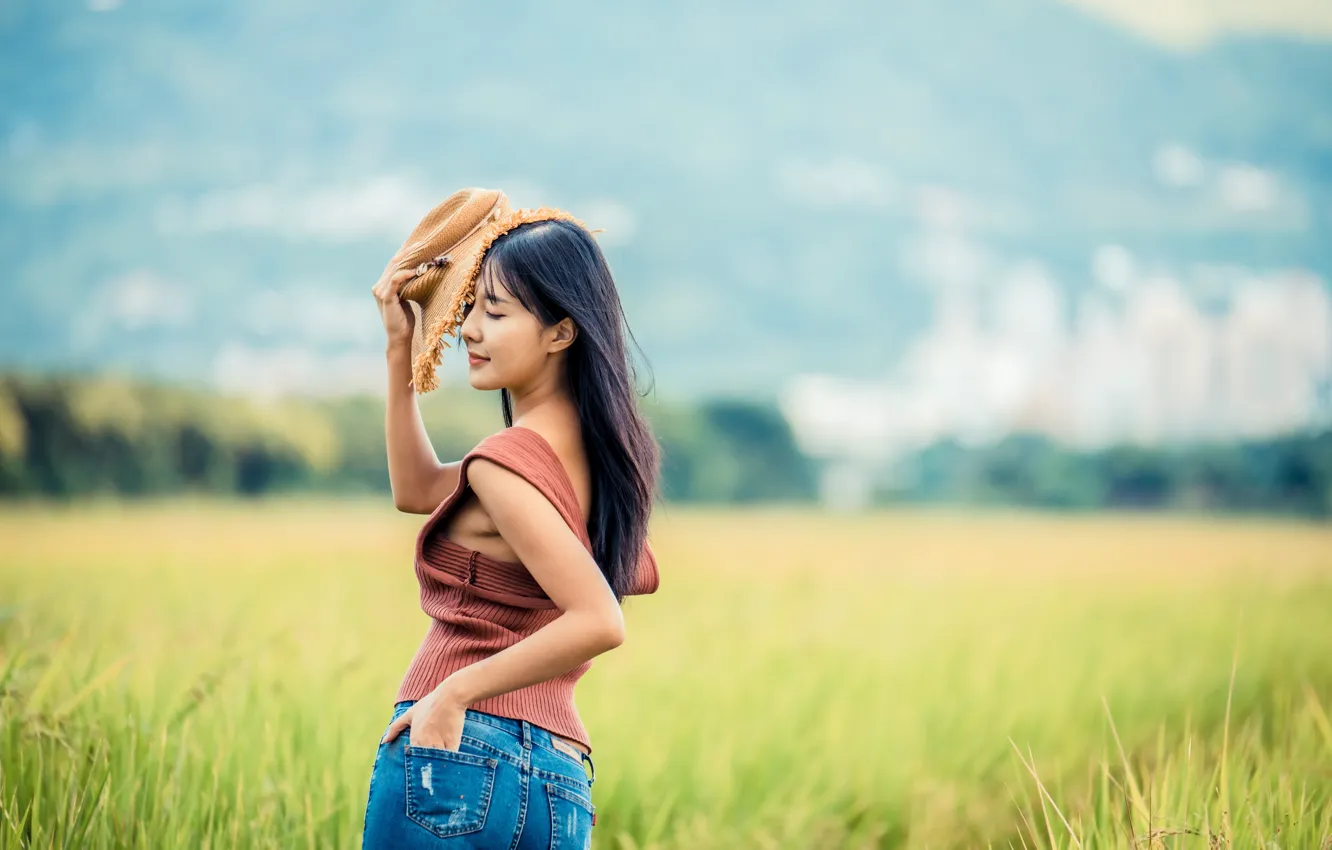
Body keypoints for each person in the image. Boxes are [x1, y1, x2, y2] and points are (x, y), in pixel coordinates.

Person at [362, 203, 662, 848]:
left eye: (495, 313)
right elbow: (417, 490)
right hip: (559, 777)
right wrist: (400, 349)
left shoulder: (507, 464)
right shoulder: (593, 460)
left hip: (461, 750)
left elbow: (599, 620)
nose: (469, 329)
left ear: (560, 332)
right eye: (470, 307)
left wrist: (452, 693)